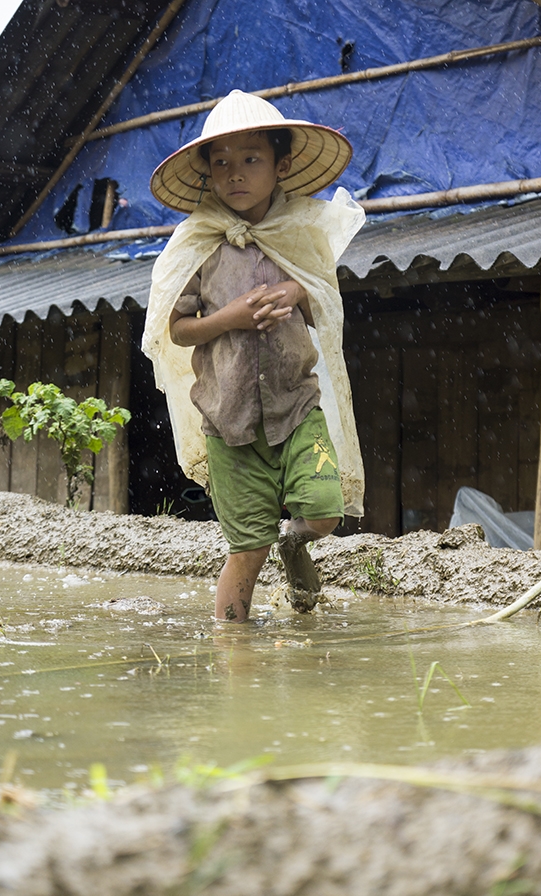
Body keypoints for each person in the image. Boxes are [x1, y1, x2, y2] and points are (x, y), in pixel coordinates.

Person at [142, 89, 365, 621]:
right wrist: (232, 318)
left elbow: (325, 303)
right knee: (246, 550)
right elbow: (175, 329)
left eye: (249, 160)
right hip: (229, 420)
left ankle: (295, 540)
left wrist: (297, 293)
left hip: (295, 407)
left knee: (324, 511)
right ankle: (236, 664)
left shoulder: (299, 233)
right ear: (207, 174)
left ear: (280, 165)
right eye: (220, 163)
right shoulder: (197, 243)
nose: (234, 173)